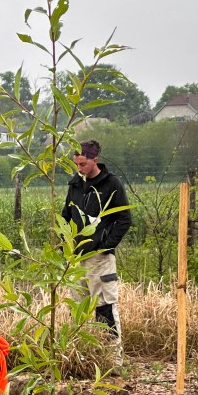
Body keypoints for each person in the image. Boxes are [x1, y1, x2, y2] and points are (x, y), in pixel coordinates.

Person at [62, 139, 132, 345]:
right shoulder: (75, 184)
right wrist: (64, 242)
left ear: (95, 160)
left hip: (100, 259)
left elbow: (124, 219)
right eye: (76, 164)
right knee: (76, 310)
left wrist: (106, 246)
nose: (79, 168)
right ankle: (81, 357)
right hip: (75, 259)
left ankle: (112, 361)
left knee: (105, 308)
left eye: (82, 164)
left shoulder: (112, 184)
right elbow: (66, 216)